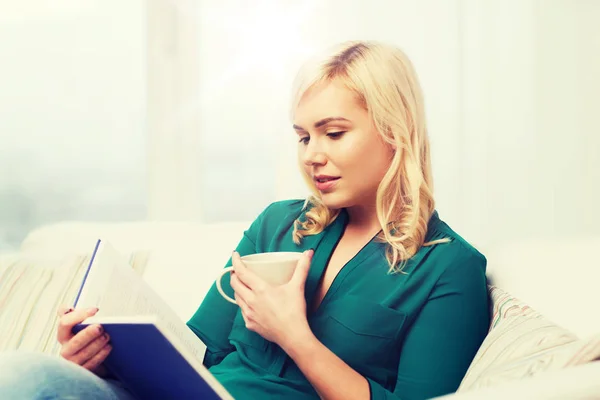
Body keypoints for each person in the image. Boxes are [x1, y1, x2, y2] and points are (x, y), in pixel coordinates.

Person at [0, 40, 490, 400]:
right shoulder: (279, 226)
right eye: (303, 137)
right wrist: (101, 357)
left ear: (395, 131)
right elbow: (197, 354)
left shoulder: (449, 268)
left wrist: (295, 337)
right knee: (31, 375)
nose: (312, 156)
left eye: (333, 133)